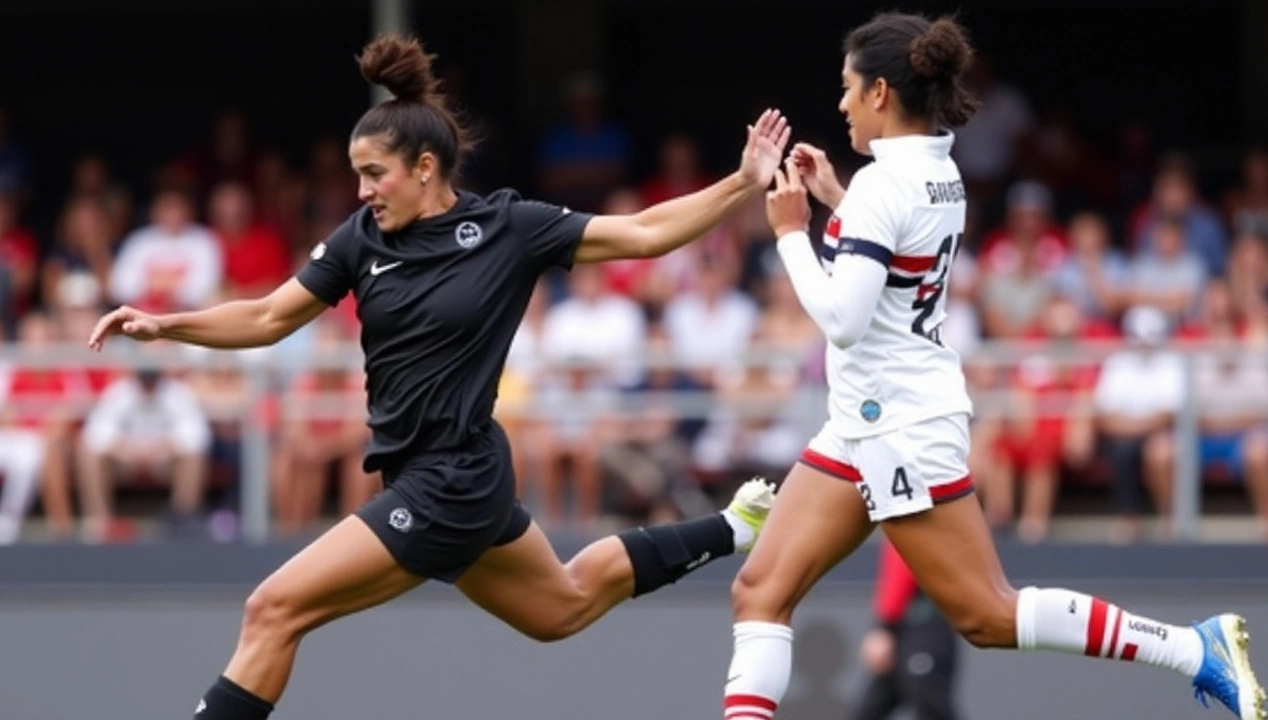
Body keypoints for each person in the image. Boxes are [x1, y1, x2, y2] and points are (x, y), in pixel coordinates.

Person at [87, 35, 789, 720]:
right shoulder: (361, 238)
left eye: (374, 174)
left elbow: (642, 233)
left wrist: (741, 183)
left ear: (425, 167)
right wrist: (165, 324)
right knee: (563, 607)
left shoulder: (509, 226)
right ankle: (734, 527)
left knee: (272, 608)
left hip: (452, 479)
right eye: (358, 175)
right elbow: (270, 317)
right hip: (430, 476)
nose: (362, 190)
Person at [719, 13, 1264, 720]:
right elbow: (893, 260)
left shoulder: (888, 188)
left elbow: (843, 321)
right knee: (760, 590)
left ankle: (1195, 648)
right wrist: (836, 202)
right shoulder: (936, 168)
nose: (842, 103)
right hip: (868, 416)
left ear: (881, 92)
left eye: (849, 89)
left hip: (899, 423)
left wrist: (793, 234)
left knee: (987, 615)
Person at [853, 539, 961, 720]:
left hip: (926, 631)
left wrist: (884, 628)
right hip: (906, 632)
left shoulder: (911, 517)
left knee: (933, 709)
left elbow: (902, 563)